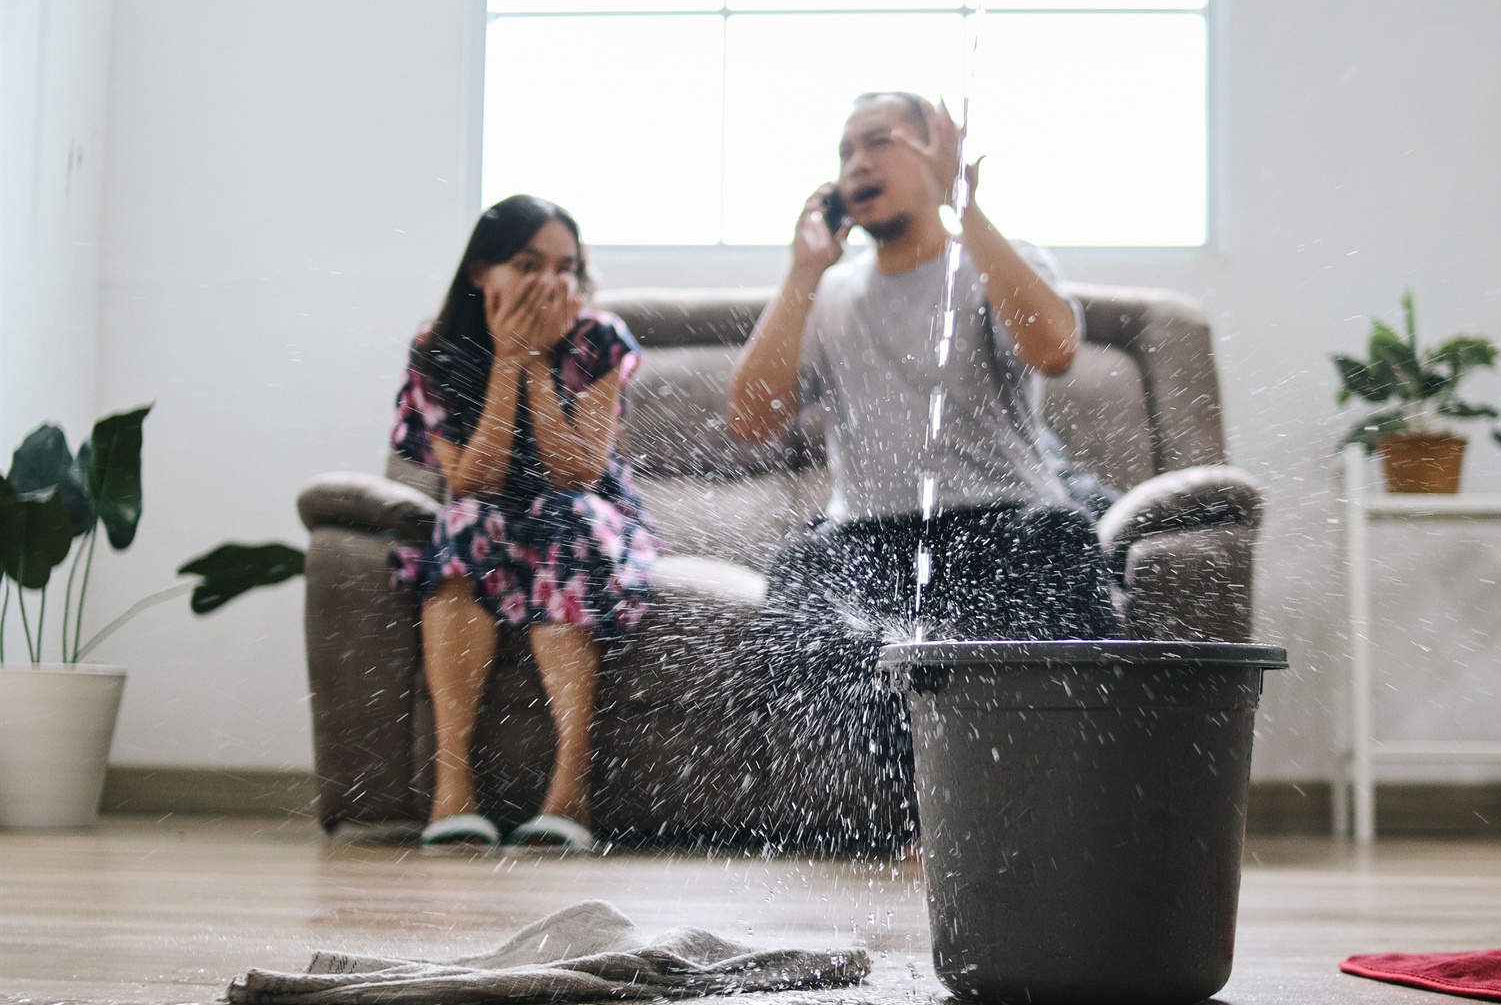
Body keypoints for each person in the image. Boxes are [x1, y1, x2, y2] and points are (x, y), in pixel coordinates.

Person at [727, 92, 1117, 849]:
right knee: (798, 583)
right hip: (869, 539)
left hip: (1004, 524)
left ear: (932, 151)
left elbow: (1056, 351)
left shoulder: (991, 262)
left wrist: (966, 208)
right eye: (844, 152)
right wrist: (803, 271)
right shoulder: (828, 295)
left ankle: (1043, 815)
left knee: (1065, 547)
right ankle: (936, 809)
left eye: (878, 142)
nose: (857, 164)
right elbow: (751, 421)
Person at [389, 195, 658, 850]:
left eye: (565, 267)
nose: (550, 282)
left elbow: (577, 475)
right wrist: (507, 359)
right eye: (527, 262)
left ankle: (571, 792)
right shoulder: (439, 349)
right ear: (481, 272)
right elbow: (470, 481)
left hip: (584, 518)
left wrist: (536, 364)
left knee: (564, 519)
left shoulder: (598, 338)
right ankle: (453, 790)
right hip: (488, 520)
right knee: (465, 523)